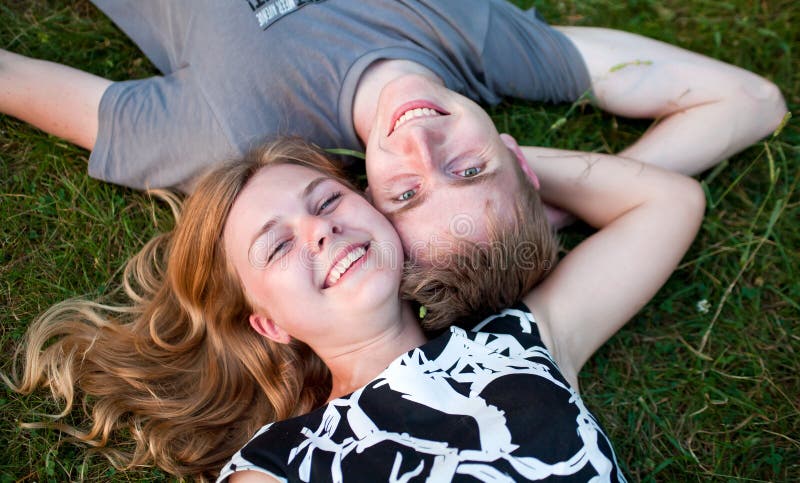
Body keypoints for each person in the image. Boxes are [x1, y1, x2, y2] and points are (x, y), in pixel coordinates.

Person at [6, 135, 705, 481]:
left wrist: (477, 161)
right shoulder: (279, 464)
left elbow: (669, 202)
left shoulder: (519, 338)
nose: (318, 230)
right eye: (277, 247)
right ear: (270, 323)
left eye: (327, 201)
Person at [0, 0, 786, 260]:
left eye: (407, 192)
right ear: (519, 156)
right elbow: (751, 101)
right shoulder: (480, 41)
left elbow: (16, 80)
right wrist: (548, 208)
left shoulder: (226, 134)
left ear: (366, 198)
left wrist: (503, 199)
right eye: (473, 171)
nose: (423, 145)